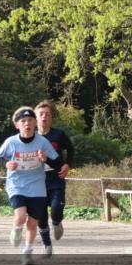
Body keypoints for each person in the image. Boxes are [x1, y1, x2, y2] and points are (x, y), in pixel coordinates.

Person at [0, 106, 62, 265]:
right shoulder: (11, 142)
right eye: (23, 121)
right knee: (20, 216)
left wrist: (46, 159)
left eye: (30, 120)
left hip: (37, 186)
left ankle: (27, 250)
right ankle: (17, 228)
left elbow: (57, 162)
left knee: (33, 223)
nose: (27, 124)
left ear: (35, 123)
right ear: (17, 125)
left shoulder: (42, 142)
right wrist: (7, 164)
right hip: (17, 184)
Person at [34, 100, 74, 242]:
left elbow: (70, 149)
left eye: (48, 114)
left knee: (56, 208)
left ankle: (57, 222)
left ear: (52, 118)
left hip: (56, 177)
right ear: (35, 118)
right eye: (41, 114)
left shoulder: (58, 134)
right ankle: (47, 244)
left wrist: (67, 164)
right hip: (37, 180)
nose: (44, 117)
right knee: (41, 215)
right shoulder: (30, 137)